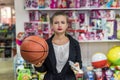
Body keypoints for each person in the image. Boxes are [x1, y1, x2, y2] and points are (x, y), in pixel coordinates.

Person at [34, 11, 82, 80]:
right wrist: (38, 65)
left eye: (62, 22)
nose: (59, 25)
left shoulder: (75, 44)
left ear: (67, 25)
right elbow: (42, 69)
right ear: (52, 25)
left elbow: (79, 63)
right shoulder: (45, 45)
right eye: (56, 23)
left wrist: (77, 66)